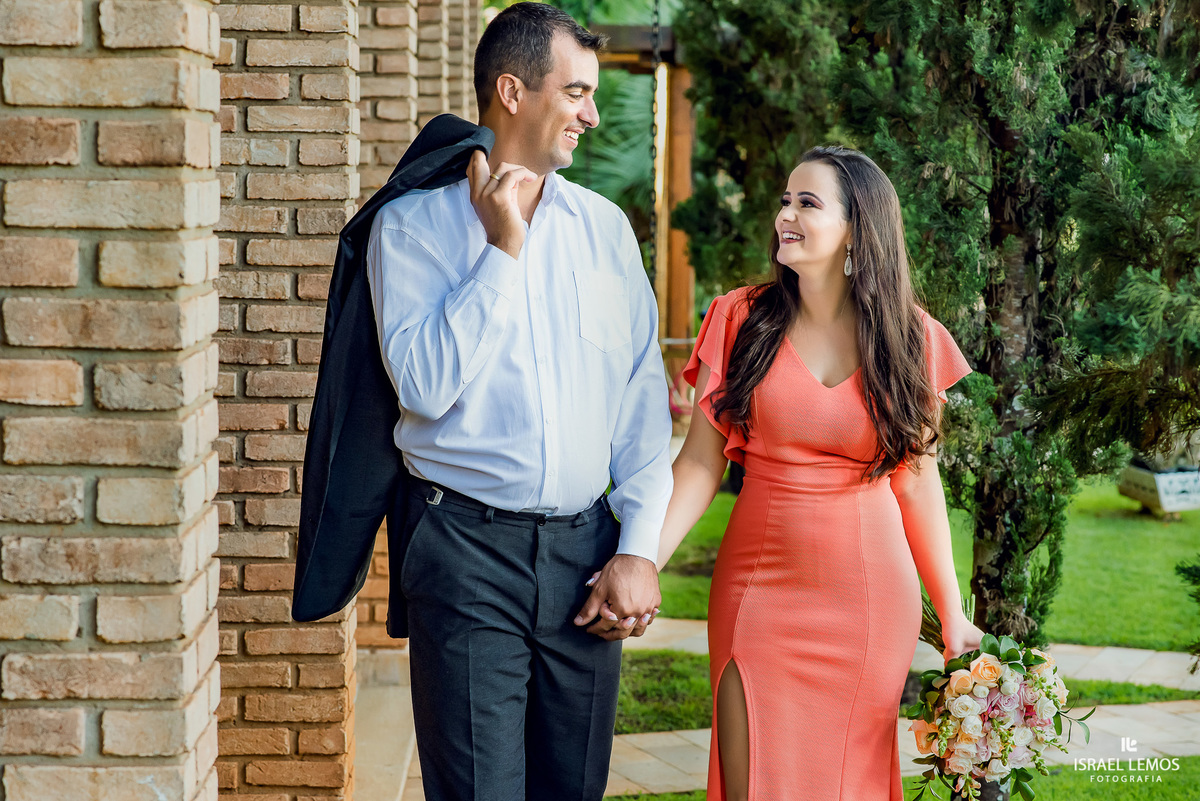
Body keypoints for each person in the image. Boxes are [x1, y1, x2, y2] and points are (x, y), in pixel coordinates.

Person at [364, 3, 672, 799]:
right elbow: (425, 390)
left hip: (585, 562)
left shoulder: (605, 230)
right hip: (464, 553)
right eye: (575, 92)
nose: (592, 115)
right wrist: (501, 251)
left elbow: (639, 400)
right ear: (511, 90)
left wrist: (637, 547)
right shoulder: (410, 228)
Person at [656, 146, 987, 800]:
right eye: (785, 199)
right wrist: (643, 558)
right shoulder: (738, 319)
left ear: (857, 229)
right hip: (758, 597)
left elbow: (917, 482)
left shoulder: (910, 339)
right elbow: (699, 460)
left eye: (808, 202)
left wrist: (952, 615)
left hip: (868, 605)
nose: (786, 213)